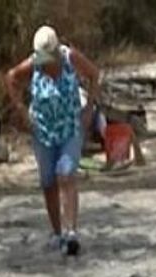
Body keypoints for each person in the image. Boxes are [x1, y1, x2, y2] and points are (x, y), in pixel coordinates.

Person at [6, 27, 101, 257]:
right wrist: (21, 110)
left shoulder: (70, 57)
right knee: (48, 181)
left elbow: (94, 75)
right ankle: (57, 232)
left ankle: (71, 233)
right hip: (43, 132)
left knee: (66, 173)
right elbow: (11, 78)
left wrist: (89, 109)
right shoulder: (34, 64)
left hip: (70, 128)